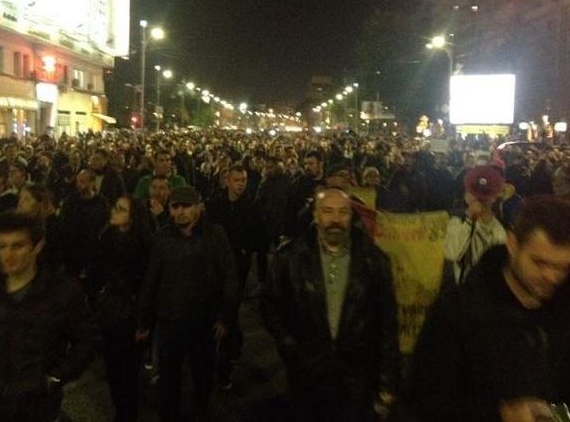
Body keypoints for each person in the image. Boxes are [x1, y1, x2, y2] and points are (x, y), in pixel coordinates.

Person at [411, 196, 570, 422]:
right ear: (512, 243)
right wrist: (500, 414)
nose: (551, 277)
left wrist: (560, 416)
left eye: (562, 267)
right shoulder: (458, 311)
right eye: (540, 262)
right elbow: (427, 400)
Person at [261, 187, 399, 422]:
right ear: (315, 215)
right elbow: (270, 305)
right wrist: (290, 345)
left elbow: (387, 322)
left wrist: (386, 382)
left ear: (352, 216)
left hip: (357, 372)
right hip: (308, 372)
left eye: (343, 212)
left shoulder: (373, 261)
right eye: (327, 211)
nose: (335, 219)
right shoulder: (289, 259)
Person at [0, 212, 100, 422]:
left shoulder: (61, 292)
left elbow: (86, 340)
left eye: (17, 246)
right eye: (1, 247)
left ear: (37, 247)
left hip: (36, 405)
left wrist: (56, 377)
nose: (7, 255)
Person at [136, 186, 238, 422]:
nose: (180, 212)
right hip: (171, 322)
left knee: (203, 377)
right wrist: (144, 321)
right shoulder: (162, 238)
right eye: (175, 206)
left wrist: (226, 316)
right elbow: (151, 280)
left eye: (186, 206)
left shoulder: (215, 235)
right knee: (169, 379)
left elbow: (230, 277)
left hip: (205, 323)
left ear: (198, 208)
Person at [92, 196, 152, 422]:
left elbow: (148, 286)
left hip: (131, 316)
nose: (114, 211)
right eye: (115, 206)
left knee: (128, 373)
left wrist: (144, 322)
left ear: (133, 216)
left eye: (121, 209)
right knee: (112, 369)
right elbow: (97, 271)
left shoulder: (145, 244)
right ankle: (120, 411)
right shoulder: (107, 236)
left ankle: (128, 415)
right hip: (109, 313)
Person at [206, 164, 264, 389]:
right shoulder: (216, 203)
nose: (241, 183)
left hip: (238, 266)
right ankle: (229, 344)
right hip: (215, 266)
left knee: (229, 307)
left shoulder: (251, 206)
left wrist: (245, 251)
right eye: (237, 179)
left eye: (244, 180)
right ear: (227, 181)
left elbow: (259, 236)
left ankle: (227, 357)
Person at [444, 166, 507, 285]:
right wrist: (470, 221)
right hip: (463, 292)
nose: (477, 198)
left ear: (494, 198)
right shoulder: (457, 221)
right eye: (472, 192)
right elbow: (452, 253)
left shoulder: (499, 231)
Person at [61, 169, 110, 279]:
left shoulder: (101, 201)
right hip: (73, 248)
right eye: (78, 181)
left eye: (83, 182)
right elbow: (64, 222)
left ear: (92, 183)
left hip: (92, 249)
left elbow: (107, 221)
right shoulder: (70, 200)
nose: (79, 185)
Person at [17, 183, 64, 273]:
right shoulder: (22, 225)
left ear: (40, 203)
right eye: (20, 198)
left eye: (27, 199)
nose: (20, 203)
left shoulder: (52, 227)